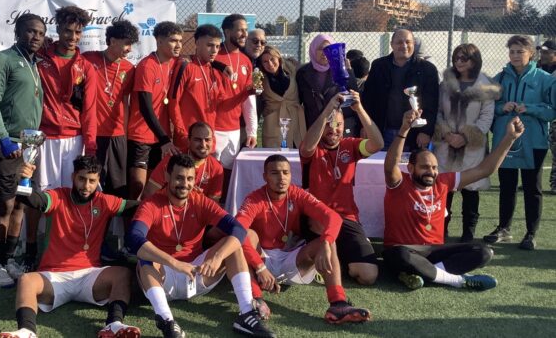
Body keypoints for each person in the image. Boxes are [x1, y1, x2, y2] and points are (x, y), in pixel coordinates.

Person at [126, 154, 275, 338]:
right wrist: (175, 263)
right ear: (167, 176)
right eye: (179, 178)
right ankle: (167, 321)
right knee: (145, 259)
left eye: (190, 179)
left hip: (197, 273)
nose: (185, 184)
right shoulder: (152, 203)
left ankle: (246, 313)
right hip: (164, 276)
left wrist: (217, 257)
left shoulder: (200, 201)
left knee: (233, 245)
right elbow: (133, 238)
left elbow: (238, 230)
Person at [0, 156, 141, 338]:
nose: (86, 186)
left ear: (98, 181)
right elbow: (34, 201)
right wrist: (25, 180)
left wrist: (164, 198)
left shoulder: (105, 201)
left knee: (123, 274)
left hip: (90, 276)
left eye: (92, 181)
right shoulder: (58, 196)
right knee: (26, 280)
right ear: (73, 176)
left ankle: (113, 325)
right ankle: (27, 331)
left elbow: (138, 208)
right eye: (81, 179)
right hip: (53, 276)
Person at [383, 109, 525, 291]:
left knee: (483, 252)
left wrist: (510, 138)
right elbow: (390, 166)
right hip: (405, 249)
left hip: (433, 251)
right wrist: (404, 129)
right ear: (410, 168)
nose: (431, 172)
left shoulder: (443, 182)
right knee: (399, 255)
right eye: (425, 167)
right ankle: (457, 280)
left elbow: (485, 170)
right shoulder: (400, 183)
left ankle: (421, 274)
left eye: (434, 167)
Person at [236, 154, 371, 324]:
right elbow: (237, 231)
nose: (281, 178)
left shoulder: (297, 194)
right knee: (247, 235)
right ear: (265, 176)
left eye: (286, 172)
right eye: (275, 173)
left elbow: (333, 217)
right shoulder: (255, 199)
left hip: (292, 260)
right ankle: (256, 299)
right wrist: (260, 267)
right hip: (262, 260)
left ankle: (338, 303)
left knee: (328, 242)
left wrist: (326, 242)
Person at [0, 13, 46, 287]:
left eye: (41, 33)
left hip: (29, 144)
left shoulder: (35, 63)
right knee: (5, 204)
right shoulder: (3, 59)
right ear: (18, 32)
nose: (36, 37)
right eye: (31, 31)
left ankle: (9, 260)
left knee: (21, 202)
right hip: (5, 143)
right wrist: (4, 138)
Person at [299, 91, 384, 285]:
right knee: (320, 233)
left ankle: (342, 258)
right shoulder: (313, 147)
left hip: (346, 217)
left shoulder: (351, 146)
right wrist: (328, 109)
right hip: (319, 217)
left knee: (368, 276)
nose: (334, 129)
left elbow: (378, 144)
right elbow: (307, 147)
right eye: (329, 124)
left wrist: (359, 109)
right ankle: (328, 252)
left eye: (338, 124)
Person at [483, 35, 556, 250]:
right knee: (507, 185)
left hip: (534, 141)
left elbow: (552, 111)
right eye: (512, 51)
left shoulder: (546, 79)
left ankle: (531, 233)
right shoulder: (499, 78)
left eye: (520, 51)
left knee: (532, 187)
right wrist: (502, 107)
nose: (515, 55)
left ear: (531, 53)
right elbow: (489, 108)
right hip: (505, 140)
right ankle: (504, 228)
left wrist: (529, 108)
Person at [432, 44, 500, 242]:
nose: (459, 62)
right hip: (445, 145)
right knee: (444, 189)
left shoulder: (485, 85)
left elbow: (487, 116)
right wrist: (447, 134)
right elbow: (437, 111)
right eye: (456, 58)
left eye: (464, 58)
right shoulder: (445, 84)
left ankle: (468, 234)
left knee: (471, 189)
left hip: (471, 147)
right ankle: (440, 230)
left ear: (474, 60)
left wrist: (466, 137)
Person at [36, 6, 98, 189]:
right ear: (58, 29)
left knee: (72, 192)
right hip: (44, 137)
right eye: (68, 31)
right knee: (44, 194)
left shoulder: (86, 67)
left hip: (74, 139)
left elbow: (89, 110)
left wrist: (90, 146)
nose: (73, 37)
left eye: (78, 32)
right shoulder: (39, 58)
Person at [169, 24, 251, 150]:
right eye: (210, 45)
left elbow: (222, 104)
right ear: (197, 43)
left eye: (217, 46)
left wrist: (247, 92)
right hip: (189, 139)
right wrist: (183, 134)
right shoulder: (185, 66)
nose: (214, 50)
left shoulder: (214, 70)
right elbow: (173, 102)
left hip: (208, 139)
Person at [127, 21, 183, 199]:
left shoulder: (175, 63)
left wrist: (222, 66)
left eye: (180, 41)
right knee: (137, 187)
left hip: (161, 137)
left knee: (154, 190)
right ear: (159, 41)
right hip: (141, 136)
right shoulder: (147, 66)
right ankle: (129, 217)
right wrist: (165, 139)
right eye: (173, 40)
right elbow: (145, 107)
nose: (178, 45)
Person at [83, 20, 139, 197]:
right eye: (127, 43)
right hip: (92, 134)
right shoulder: (88, 59)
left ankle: (113, 216)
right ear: (113, 41)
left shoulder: (129, 68)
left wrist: (125, 135)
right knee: (90, 183)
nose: (129, 49)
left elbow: (126, 102)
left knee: (117, 187)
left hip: (117, 135)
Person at [362, 29, 439, 151]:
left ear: (413, 44)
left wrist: (426, 131)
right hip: (381, 132)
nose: (404, 46)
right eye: (399, 42)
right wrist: (366, 126)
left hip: (413, 134)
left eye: (408, 42)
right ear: (392, 44)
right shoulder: (378, 66)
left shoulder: (427, 69)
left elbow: (432, 104)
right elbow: (368, 99)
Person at [213, 14, 258, 187]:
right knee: (208, 175)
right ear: (227, 31)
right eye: (240, 30)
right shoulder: (214, 55)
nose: (244, 34)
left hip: (233, 129)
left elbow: (248, 100)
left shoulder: (246, 61)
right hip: (211, 127)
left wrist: (252, 131)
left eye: (246, 30)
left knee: (228, 178)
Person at [142, 121, 224, 201]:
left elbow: (213, 204)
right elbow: (149, 193)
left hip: (196, 209)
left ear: (213, 141)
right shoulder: (172, 158)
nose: (203, 144)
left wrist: (198, 198)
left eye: (207, 140)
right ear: (188, 141)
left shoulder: (216, 168)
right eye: (197, 140)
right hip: (167, 207)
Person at [295, 34, 359, 133]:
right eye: (320, 49)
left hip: (337, 128)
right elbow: (298, 100)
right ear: (313, 50)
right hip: (313, 127)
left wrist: (349, 72)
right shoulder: (303, 73)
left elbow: (354, 99)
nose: (324, 53)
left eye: (328, 49)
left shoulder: (342, 70)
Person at [258, 45, 306, 148]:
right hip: (274, 123)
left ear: (279, 58)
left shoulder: (292, 69)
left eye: (272, 59)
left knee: (298, 152)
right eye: (265, 62)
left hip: (295, 119)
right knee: (275, 154)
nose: (270, 64)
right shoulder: (260, 78)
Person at [537, 40, 556, 192]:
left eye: (546, 52)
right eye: (541, 52)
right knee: (535, 148)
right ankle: (532, 179)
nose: (542, 55)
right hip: (539, 113)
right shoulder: (537, 68)